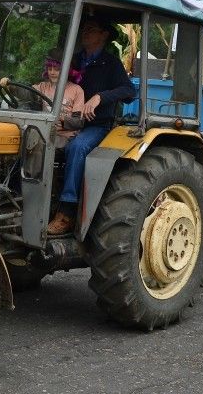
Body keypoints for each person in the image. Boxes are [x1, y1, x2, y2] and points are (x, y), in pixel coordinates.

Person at [47, 16, 135, 235]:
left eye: (92, 29)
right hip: (64, 122)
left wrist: (100, 97)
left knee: (77, 148)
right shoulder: (73, 60)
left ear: (104, 35)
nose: (85, 32)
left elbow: (129, 92)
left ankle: (66, 211)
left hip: (95, 125)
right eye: (84, 28)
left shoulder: (110, 63)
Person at [33, 48, 85, 147]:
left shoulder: (76, 90)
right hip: (43, 133)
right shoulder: (43, 87)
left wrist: (63, 121)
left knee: (42, 145)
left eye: (57, 69)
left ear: (68, 71)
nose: (52, 72)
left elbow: (78, 121)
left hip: (65, 137)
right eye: (49, 69)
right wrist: (11, 87)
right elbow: (27, 92)